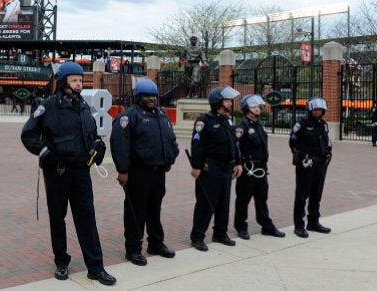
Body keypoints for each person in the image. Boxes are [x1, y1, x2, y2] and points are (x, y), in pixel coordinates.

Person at [20, 62, 116, 286]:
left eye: (81, 80)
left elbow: (91, 133)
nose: (79, 83)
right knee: (58, 218)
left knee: (87, 218)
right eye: (74, 80)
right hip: (58, 172)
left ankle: (96, 267)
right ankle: (61, 262)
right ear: (63, 82)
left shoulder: (83, 106)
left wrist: (97, 146)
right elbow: (28, 135)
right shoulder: (48, 106)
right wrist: (46, 153)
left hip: (81, 172)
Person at [110, 78, 180, 266]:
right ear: (138, 96)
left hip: (158, 172)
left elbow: (170, 139)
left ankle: (156, 244)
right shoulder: (129, 116)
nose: (151, 99)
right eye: (147, 95)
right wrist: (122, 170)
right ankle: (133, 249)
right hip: (138, 172)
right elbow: (120, 145)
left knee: (154, 209)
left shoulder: (161, 115)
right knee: (136, 211)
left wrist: (169, 159)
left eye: (153, 96)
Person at [188, 86, 243, 252]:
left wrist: (238, 162)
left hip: (226, 169)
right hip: (209, 169)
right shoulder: (204, 120)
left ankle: (220, 233)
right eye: (227, 100)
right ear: (218, 102)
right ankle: (197, 236)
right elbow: (196, 144)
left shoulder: (227, 120)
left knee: (223, 204)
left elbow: (235, 144)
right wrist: (196, 166)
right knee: (206, 204)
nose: (230, 103)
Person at [234, 94, 285, 240]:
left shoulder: (259, 125)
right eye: (253, 106)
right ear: (246, 108)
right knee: (243, 199)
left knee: (262, 198)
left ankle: (266, 226)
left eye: (258, 106)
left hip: (261, 168)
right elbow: (235, 147)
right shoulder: (241, 126)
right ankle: (241, 226)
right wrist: (238, 165)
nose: (257, 109)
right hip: (248, 169)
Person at [289, 97, 333, 238]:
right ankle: (299, 225)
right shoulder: (301, 124)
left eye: (320, 110)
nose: (318, 112)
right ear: (310, 110)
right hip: (306, 164)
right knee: (302, 195)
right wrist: (299, 156)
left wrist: (327, 153)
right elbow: (293, 141)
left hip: (320, 164)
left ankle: (313, 222)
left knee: (316, 194)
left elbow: (325, 141)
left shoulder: (322, 124)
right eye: (315, 109)